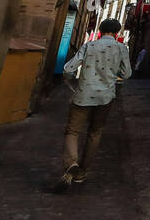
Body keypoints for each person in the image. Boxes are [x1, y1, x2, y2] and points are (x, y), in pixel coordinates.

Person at [56, 17, 131, 193]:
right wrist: (114, 73)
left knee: (73, 131)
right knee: (95, 132)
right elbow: (126, 73)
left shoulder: (89, 45)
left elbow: (69, 68)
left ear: (101, 30)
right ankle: (82, 172)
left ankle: (71, 163)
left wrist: (70, 77)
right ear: (116, 33)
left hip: (83, 95)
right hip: (106, 97)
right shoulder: (122, 49)